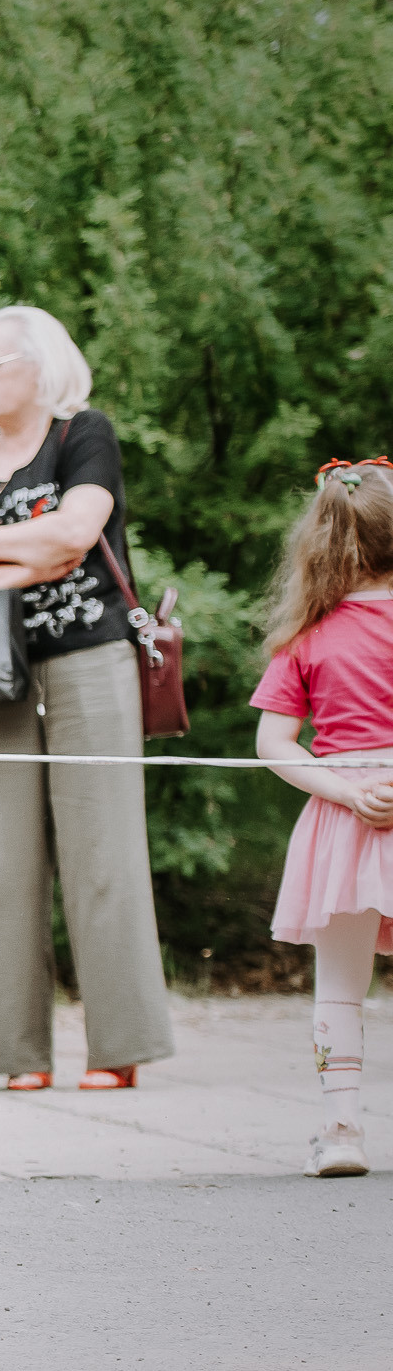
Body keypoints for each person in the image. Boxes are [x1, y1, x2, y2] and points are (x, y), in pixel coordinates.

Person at [0, 305, 174, 1091]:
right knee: (0, 860)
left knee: (105, 848)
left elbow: (76, 531)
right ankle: (17, 1054)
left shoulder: (81, 433)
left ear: (40, 364)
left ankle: (116, 1047)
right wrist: (21, 557)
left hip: (90, 656)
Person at [251, 457, 393, 1178]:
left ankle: (342, 1128)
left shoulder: (308, 635)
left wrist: (343, 789)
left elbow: (272, 744)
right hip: (361, 814)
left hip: (343, 827)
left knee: (340, 982)